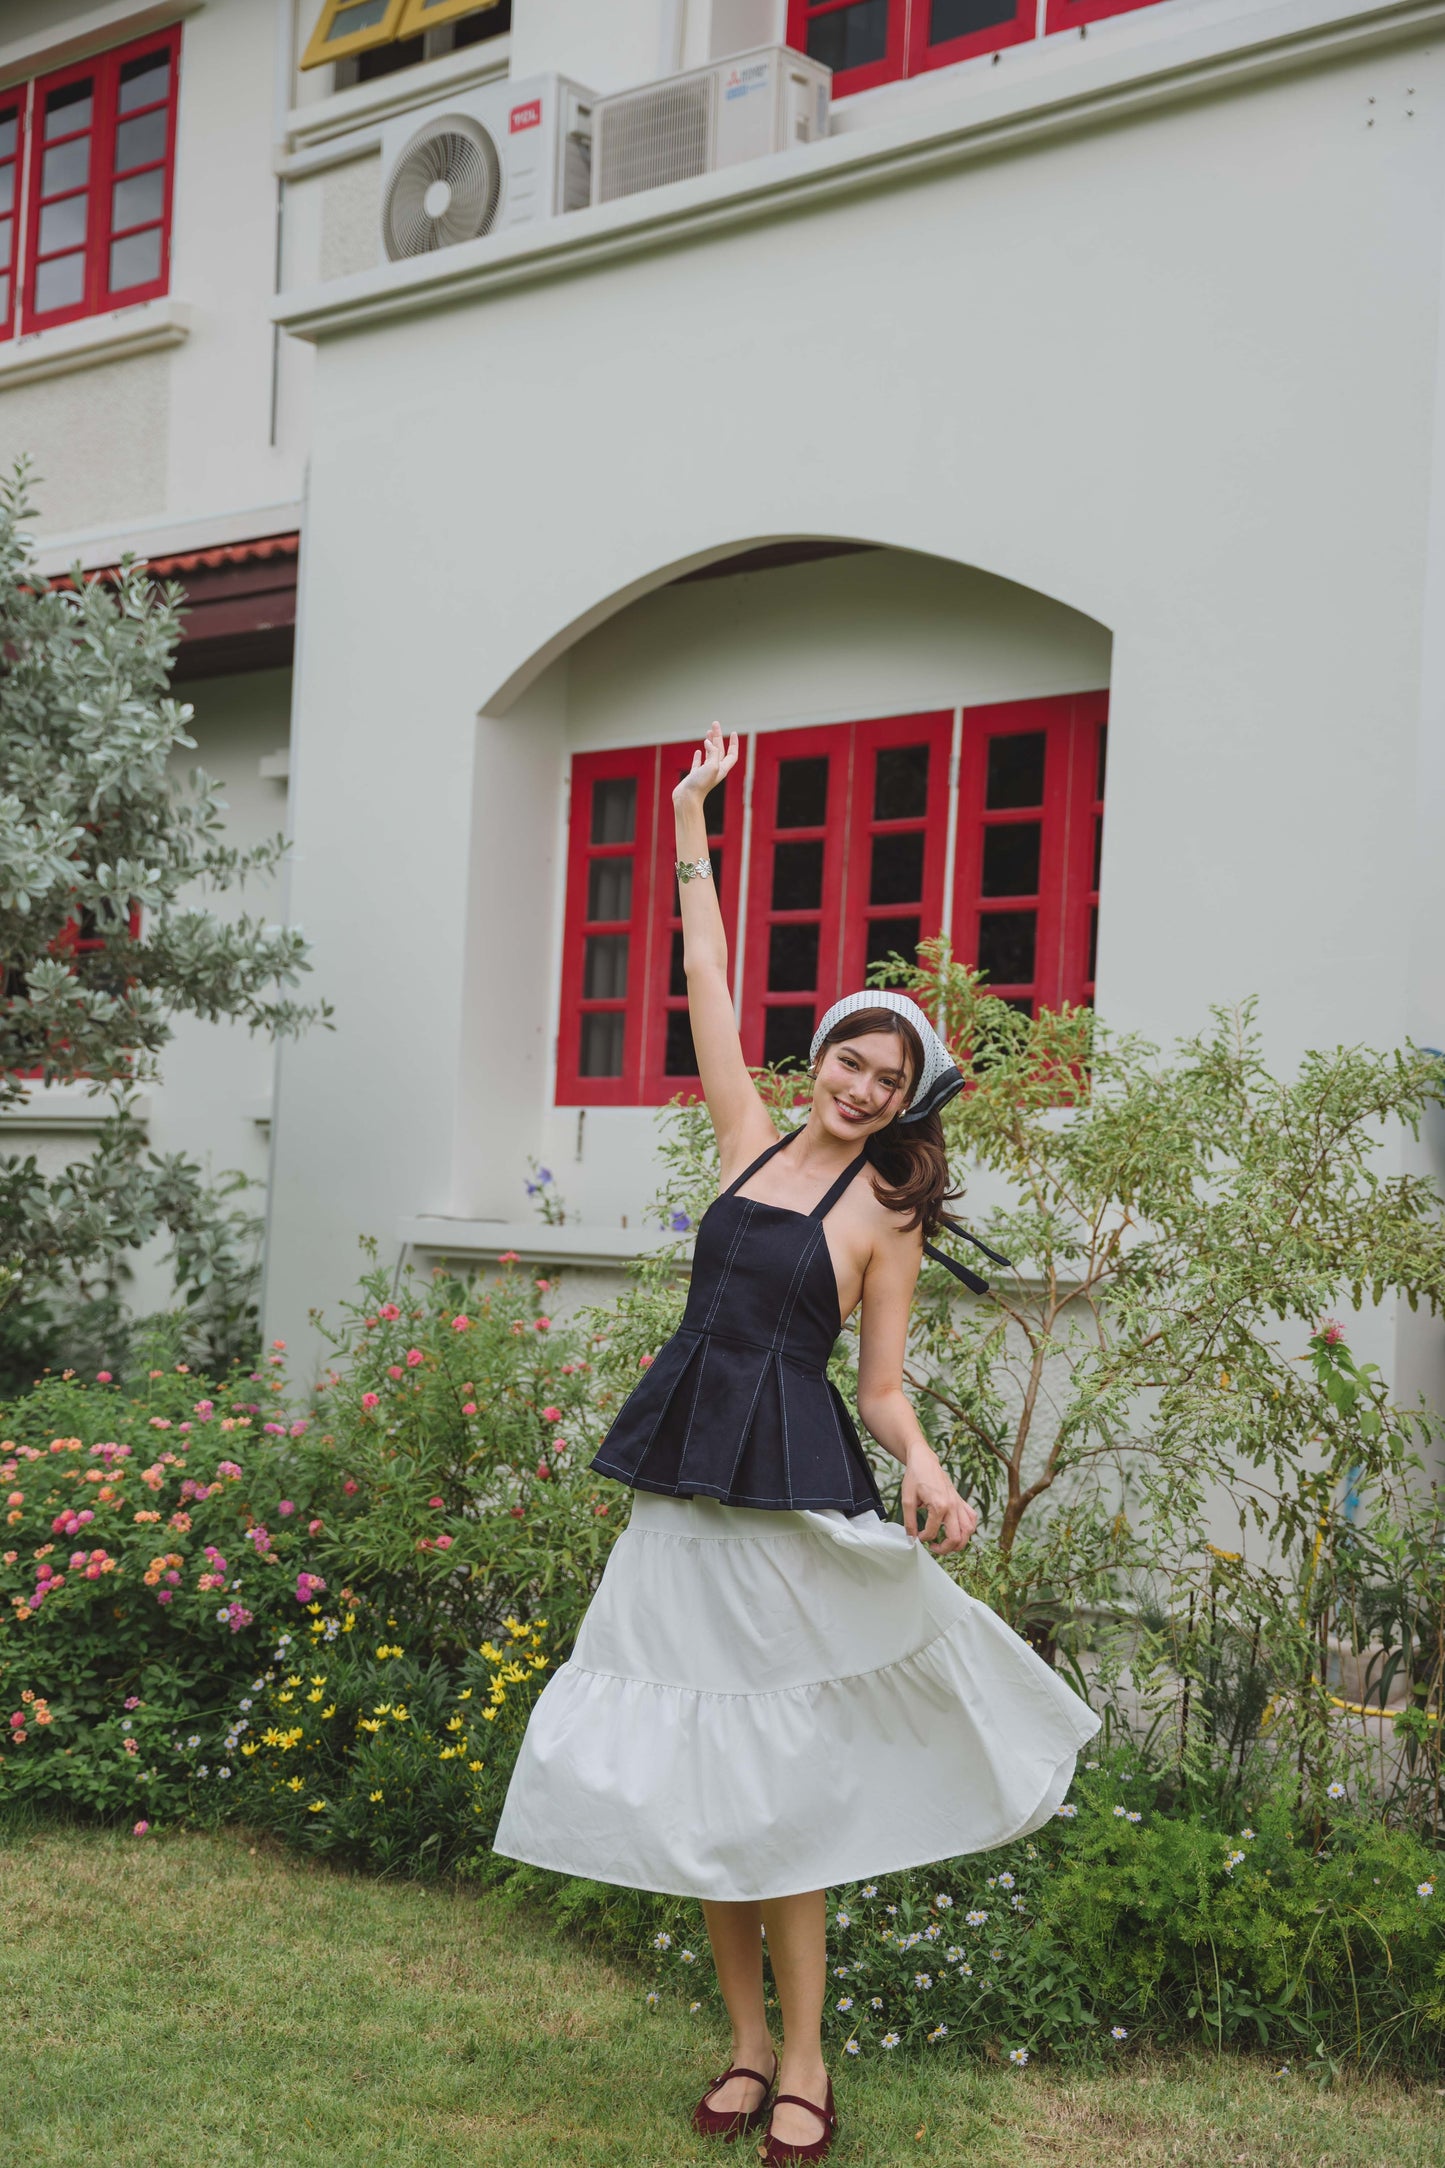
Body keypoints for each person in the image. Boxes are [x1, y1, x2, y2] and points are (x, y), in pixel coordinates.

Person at [494, 722, 1100, 2164]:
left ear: (904, 1102)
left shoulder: (883, 1217)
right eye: (847, 1059)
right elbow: (701, 971)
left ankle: (809, 2056)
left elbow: (881, 1387)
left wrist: (930, 1467)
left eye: (885, 1079)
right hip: (680, 1491)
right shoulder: (746, 1141)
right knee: (702, 1771)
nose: (858, 1087)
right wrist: (694, 817)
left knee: (777, 1780)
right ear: (819, 1061)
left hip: (787, 1494)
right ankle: (744, 2043)